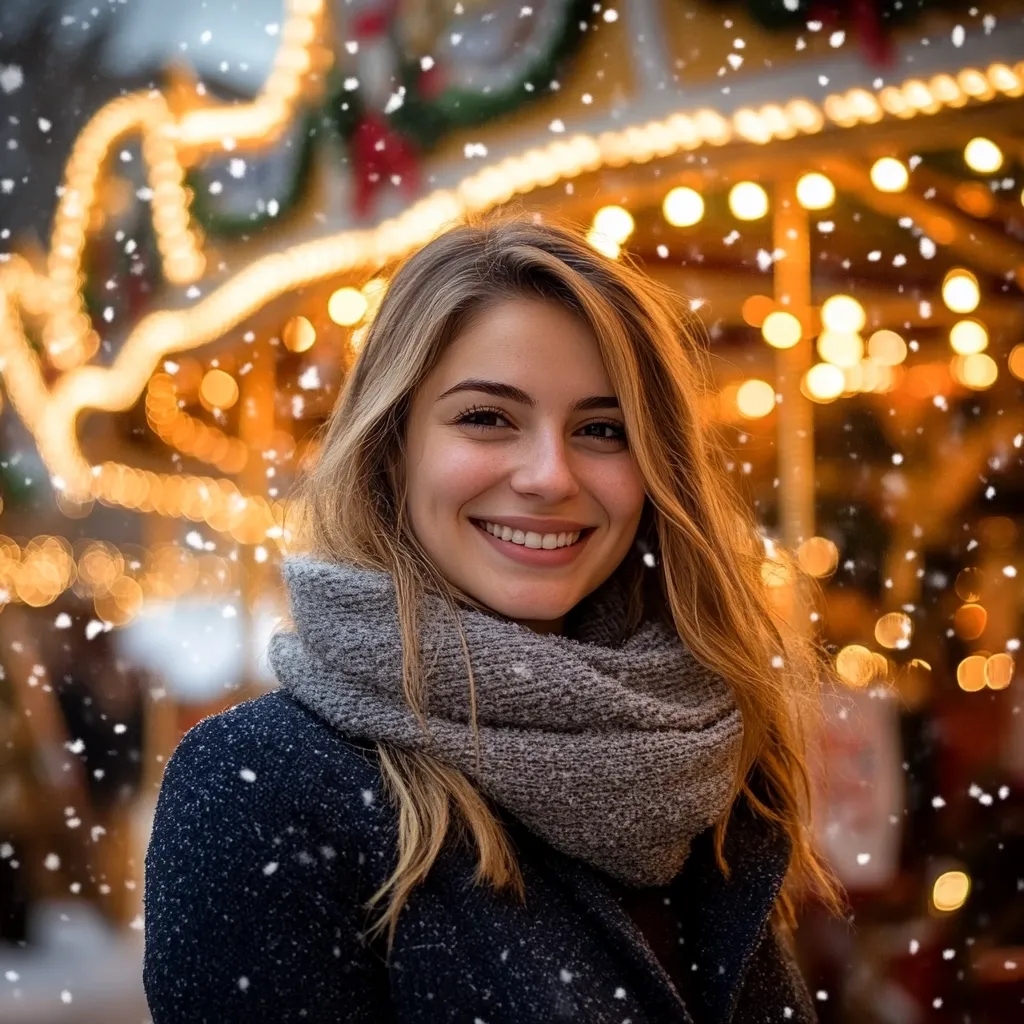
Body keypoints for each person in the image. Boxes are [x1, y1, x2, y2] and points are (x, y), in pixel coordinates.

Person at [143, 215, 841, 1022]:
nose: (550, 475)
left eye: (602, 430)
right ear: (391, 448)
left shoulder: (701, 755)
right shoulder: (262, 787)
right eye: (487, 417)